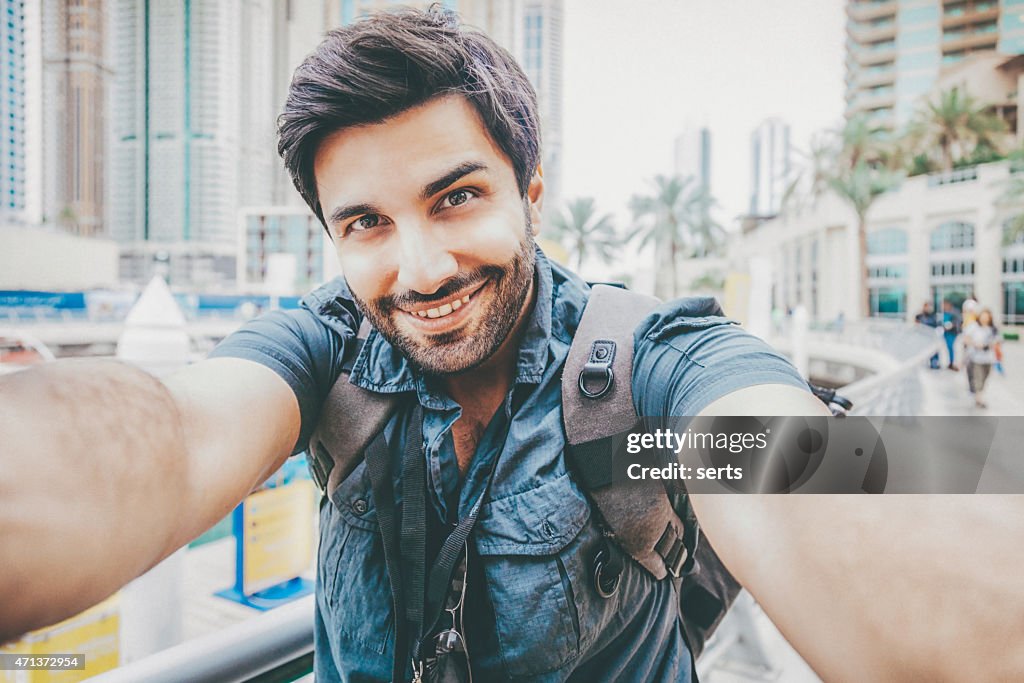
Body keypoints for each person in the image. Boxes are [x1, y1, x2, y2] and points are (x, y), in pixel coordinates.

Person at [2, 8, 1023, 683]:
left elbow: (800, 474)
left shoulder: (638, 380)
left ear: (530, 193)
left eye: (457, 197)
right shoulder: (329, 354)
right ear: (329, 238)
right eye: (366, 222)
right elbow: (179, 433)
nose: (423, 268)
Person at [962, 308, 1000, 409]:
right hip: (976, 358)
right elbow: (965, 338)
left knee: (984, 378)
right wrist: (976, 344)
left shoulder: (993, 329)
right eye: (983, 316)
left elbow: (997, 341)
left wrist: (990, 345)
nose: (985, 319)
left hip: (988, 358)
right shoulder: (973, 327)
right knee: (978, 378)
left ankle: (977, 392)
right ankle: (979, 399)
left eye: (987, 317)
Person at [915, 301, 940, 369]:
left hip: (931, 337)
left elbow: (936, 325)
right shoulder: (919, 316)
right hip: (922, 337)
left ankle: (934, 363)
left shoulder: (933, 316)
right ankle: (922, 364)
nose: (927, 308)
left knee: (933, 351)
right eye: (926, 306)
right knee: (922, 351)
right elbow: (916, 325)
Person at [941, 299, 961, 370]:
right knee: (948, 349)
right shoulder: (943, 313)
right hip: (946, 333)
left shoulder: (954, 313)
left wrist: (952, 325)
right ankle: (950, 362)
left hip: (952, 333)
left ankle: (954, 363)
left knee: (953, 348)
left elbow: (958, 322)